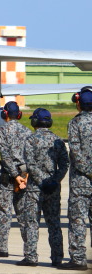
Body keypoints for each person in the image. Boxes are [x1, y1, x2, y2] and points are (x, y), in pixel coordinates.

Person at [17, 108, 68, 267]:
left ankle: (31, 257)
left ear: (35, 122)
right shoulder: (58, 140)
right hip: (53, 188)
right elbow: (64, 164)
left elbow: (29, 165)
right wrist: (54, 180)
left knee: (32, 223)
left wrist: (42, 181)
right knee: (54, 223)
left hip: (35, 189)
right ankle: (57, 258)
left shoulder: (30, 140)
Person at [0, 101, 33, 258]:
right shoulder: (27, 131)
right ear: (18, 115)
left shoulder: (1, 131)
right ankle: (29, 250)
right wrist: (23, 176)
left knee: (5, 213)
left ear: (5, 114)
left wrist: (15, 176)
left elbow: (5, 157)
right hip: (24, 178)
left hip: (9, 178)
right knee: (23, 214)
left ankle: (1, 248)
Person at [59, 87, 92, 271]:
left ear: (78, 103)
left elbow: (76, 153)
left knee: (78, 219)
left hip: (81, 180)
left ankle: (78, 259)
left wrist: (89, 171)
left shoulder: (75, 123)